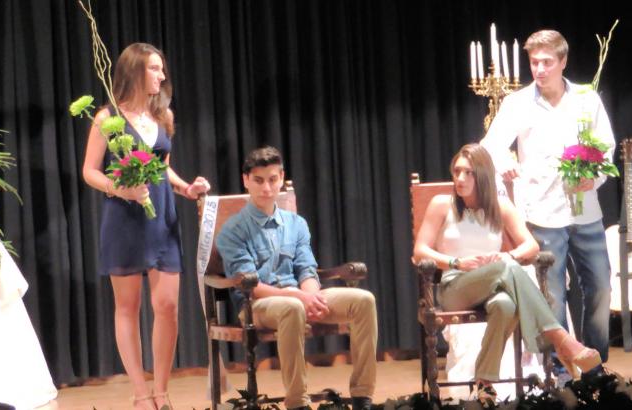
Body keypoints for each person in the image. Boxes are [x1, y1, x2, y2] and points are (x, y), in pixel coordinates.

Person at [413, 144, 601, 401]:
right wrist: (457, 262)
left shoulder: (499, 206)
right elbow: (420, 251)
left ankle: (485, 383)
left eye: (468, 172)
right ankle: (561, 340)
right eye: (456, 171)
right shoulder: (441, 204)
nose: (460, 178)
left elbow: (531, 246)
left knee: (504, 304)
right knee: (508, 269)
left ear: (483, 175)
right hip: (455, 287)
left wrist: (507, 256)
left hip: (494, 285)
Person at [82, 42, 211, 410]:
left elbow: (161, 167)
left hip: (162, 220)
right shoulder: (107, 117)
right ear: (135, 71)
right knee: (128, 307)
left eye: (161, 68)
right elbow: (90, 170)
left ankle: (162, 391)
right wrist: (119, 188)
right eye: (155, 68)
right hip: (123, 220)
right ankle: (140, 393)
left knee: (167, 305)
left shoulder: (163, 115)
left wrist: (186, 188)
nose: (162, 75)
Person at [480, 29, 614, 381]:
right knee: (552, 294)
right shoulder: (518, 103)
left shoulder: (586, 99)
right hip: (541, 212)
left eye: (546, 62)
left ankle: (595, 362)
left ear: (563, 61)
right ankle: (561, 369)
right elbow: (489, 146)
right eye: (534, 62)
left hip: (585, 212)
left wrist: (595, 177)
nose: (539, 69)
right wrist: (503, 159)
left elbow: (606, 147)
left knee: (601, 288)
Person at [215, 146, 377, 410]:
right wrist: (298, 297)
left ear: (281, 177)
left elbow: (306, 268)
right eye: (258, 180)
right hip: (256, 305)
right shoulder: (233, 229)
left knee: (364, 300)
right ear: (246, 180)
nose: (267, 187)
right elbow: (250, 286)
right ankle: (297, 402)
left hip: (298, 297)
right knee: (291, 307)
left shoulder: (296, 223)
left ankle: (362, 395)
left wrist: (311, 296)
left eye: (272, 179)